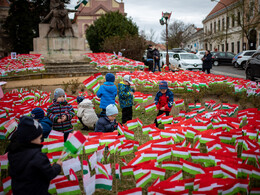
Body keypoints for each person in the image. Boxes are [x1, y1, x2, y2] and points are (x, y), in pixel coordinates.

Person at [7, 116, 62, 195]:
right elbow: (50, 173)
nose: (41, 140)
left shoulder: (13, 152)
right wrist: (57, 166)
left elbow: (30, 169)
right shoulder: (38, 156)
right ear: (31, 138)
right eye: (40, 138)